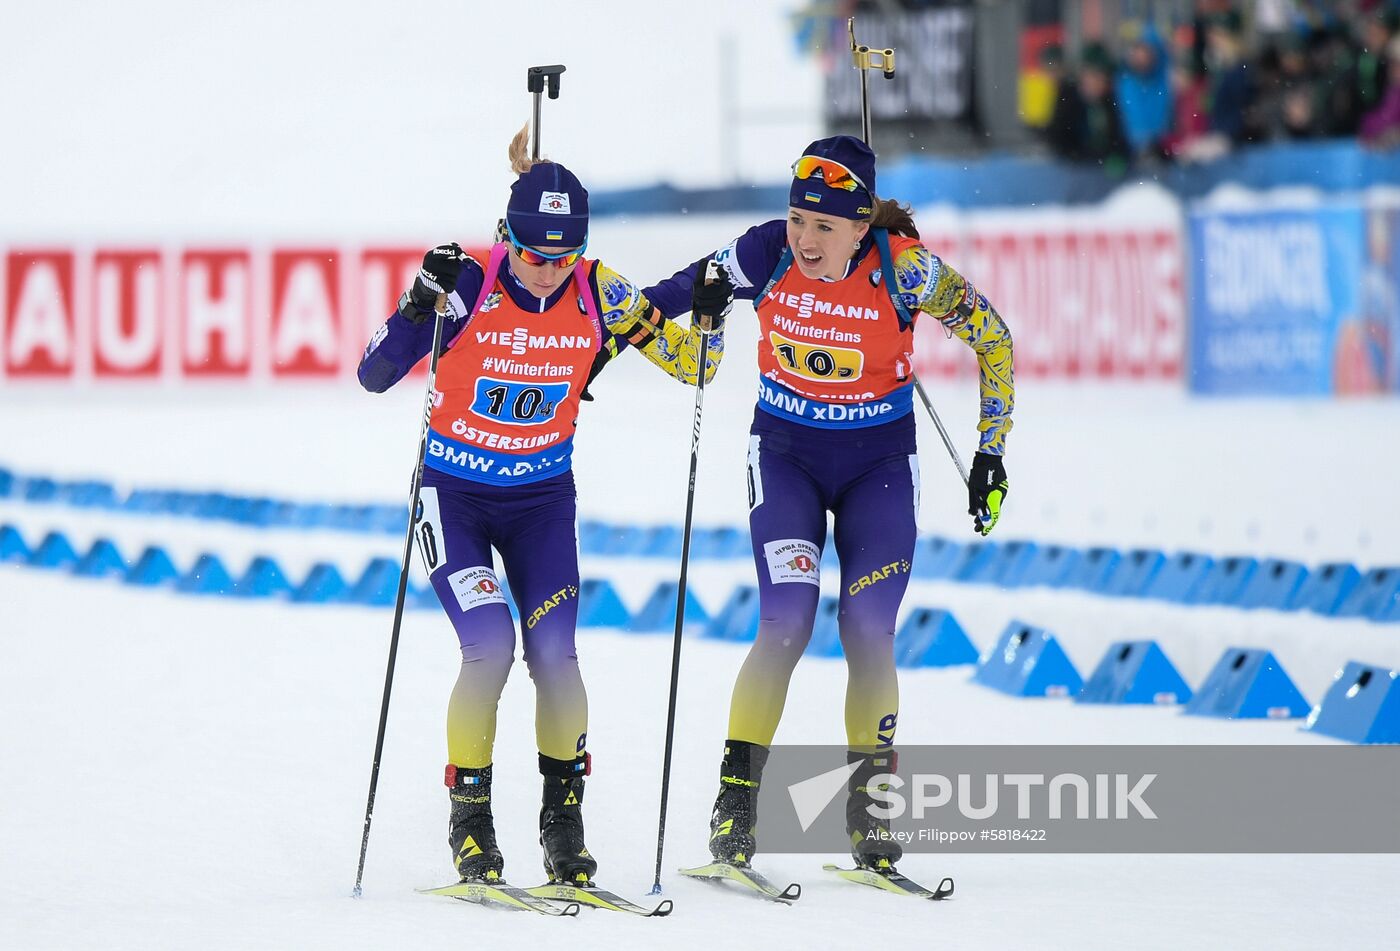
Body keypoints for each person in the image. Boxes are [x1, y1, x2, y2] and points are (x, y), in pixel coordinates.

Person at [357, 128, 722, 886]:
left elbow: (697, 367)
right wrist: (418, 301)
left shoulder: (600, 289)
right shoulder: (470, 281)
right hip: (452, 495)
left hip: (541, 504)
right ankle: (471, 820)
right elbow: (373, 372)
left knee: (555, 654)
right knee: (489, 646)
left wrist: (709, 310)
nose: (548, 272)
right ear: (509, 237)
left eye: (563, 256)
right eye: (533, 254)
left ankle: (563, 821)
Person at [643, 135, 1015, 874]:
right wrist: (647, 330)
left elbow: (994, 339)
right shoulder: (761, 252)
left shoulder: (907, 270)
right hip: (786, 459)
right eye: (796, 219)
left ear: (859, 225)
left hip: (878, 463)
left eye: (823, 226)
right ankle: (737, 803)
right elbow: (653, 305)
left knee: (868, 626)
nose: (804, 240)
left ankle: (870, 812)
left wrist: (990, 450)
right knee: (786, 619)